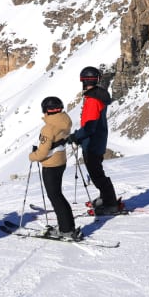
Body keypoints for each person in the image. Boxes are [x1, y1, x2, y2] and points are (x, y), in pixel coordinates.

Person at [67, 66, 119, 214]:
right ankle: (106, 198)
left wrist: (76, 136)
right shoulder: (98, 97)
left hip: (92, 143)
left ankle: (110, 203)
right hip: (98, 140)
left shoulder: (92, 100)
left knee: (96, 175)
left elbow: (89, 126)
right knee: (97, 172)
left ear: (84, 81)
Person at [29, 96, 78, 240]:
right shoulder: (65, 121)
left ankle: (66, 230)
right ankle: (67, 227)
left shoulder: (48, 128)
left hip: (50, 165)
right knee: (58, 195)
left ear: (46, 110)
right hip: (61, 161)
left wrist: (32, 156)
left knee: (55, 197)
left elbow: (43, 153)